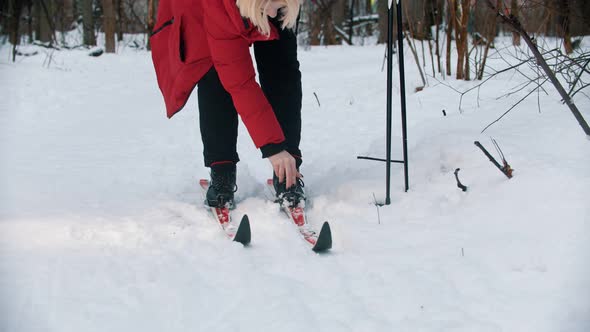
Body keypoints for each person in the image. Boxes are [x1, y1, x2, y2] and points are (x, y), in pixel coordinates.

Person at [150, 0, 305, 208]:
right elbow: (239, 82)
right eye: (271, 6)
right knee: (215, 70)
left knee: (281, 66)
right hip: (204, 8)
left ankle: (288, 172)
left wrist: (282, 149)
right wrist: (272, 147)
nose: (272, 13)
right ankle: (221, 170)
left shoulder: (274, 7)